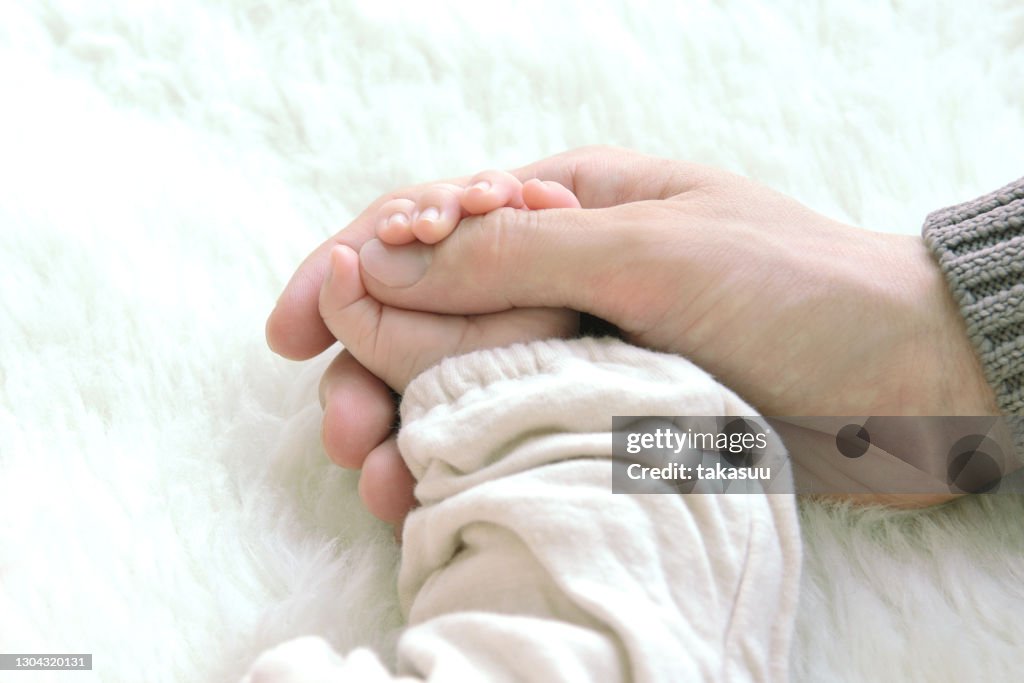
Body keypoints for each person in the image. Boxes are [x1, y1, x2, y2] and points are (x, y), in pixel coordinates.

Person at [265, 146, 1023, 525]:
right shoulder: (933, 435)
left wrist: (944, 335)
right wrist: (943, 344)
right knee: (601, 444)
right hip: (935, 431)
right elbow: (755, 449)